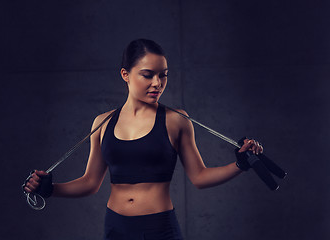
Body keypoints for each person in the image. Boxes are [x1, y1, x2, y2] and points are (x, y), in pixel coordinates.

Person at [23, 39, 263, 240]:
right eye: (148, 75)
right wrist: (50, 189)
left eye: (163, 76)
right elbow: (90, 182)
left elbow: (199, 177)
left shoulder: (176, 120)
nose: (157, 83)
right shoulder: (102, 122)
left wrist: (240, 165)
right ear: (125, 75)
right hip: (115, 228)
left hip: (159, 228)